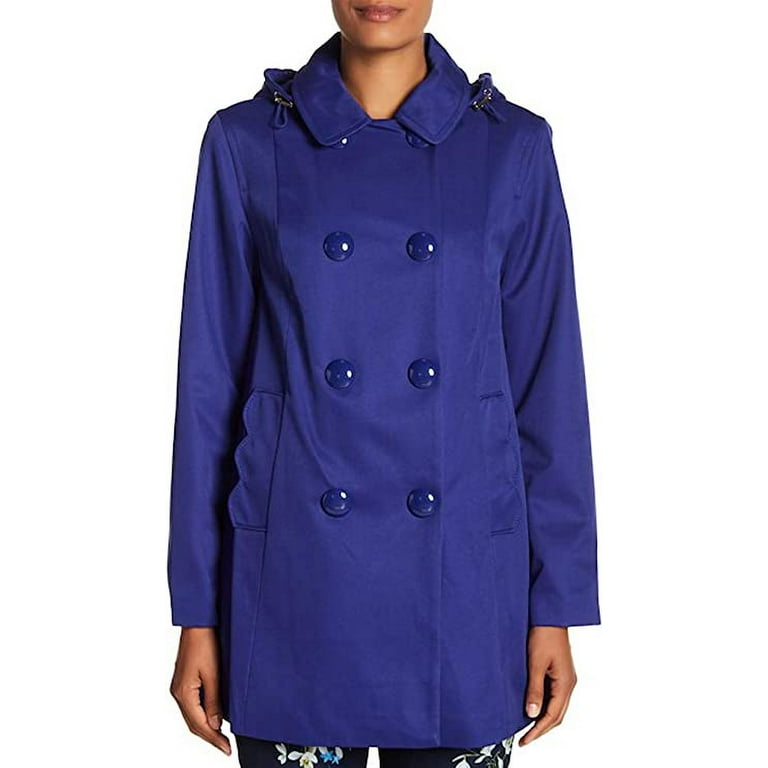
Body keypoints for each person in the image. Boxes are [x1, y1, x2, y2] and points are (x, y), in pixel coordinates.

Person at [167, 1, 601, 766]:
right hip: (295, 589)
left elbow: (547, 389)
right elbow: (208, 391)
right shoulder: (245, 141)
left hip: (463, 597)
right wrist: (197, 614)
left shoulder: (513, 146)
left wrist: (556, 605)